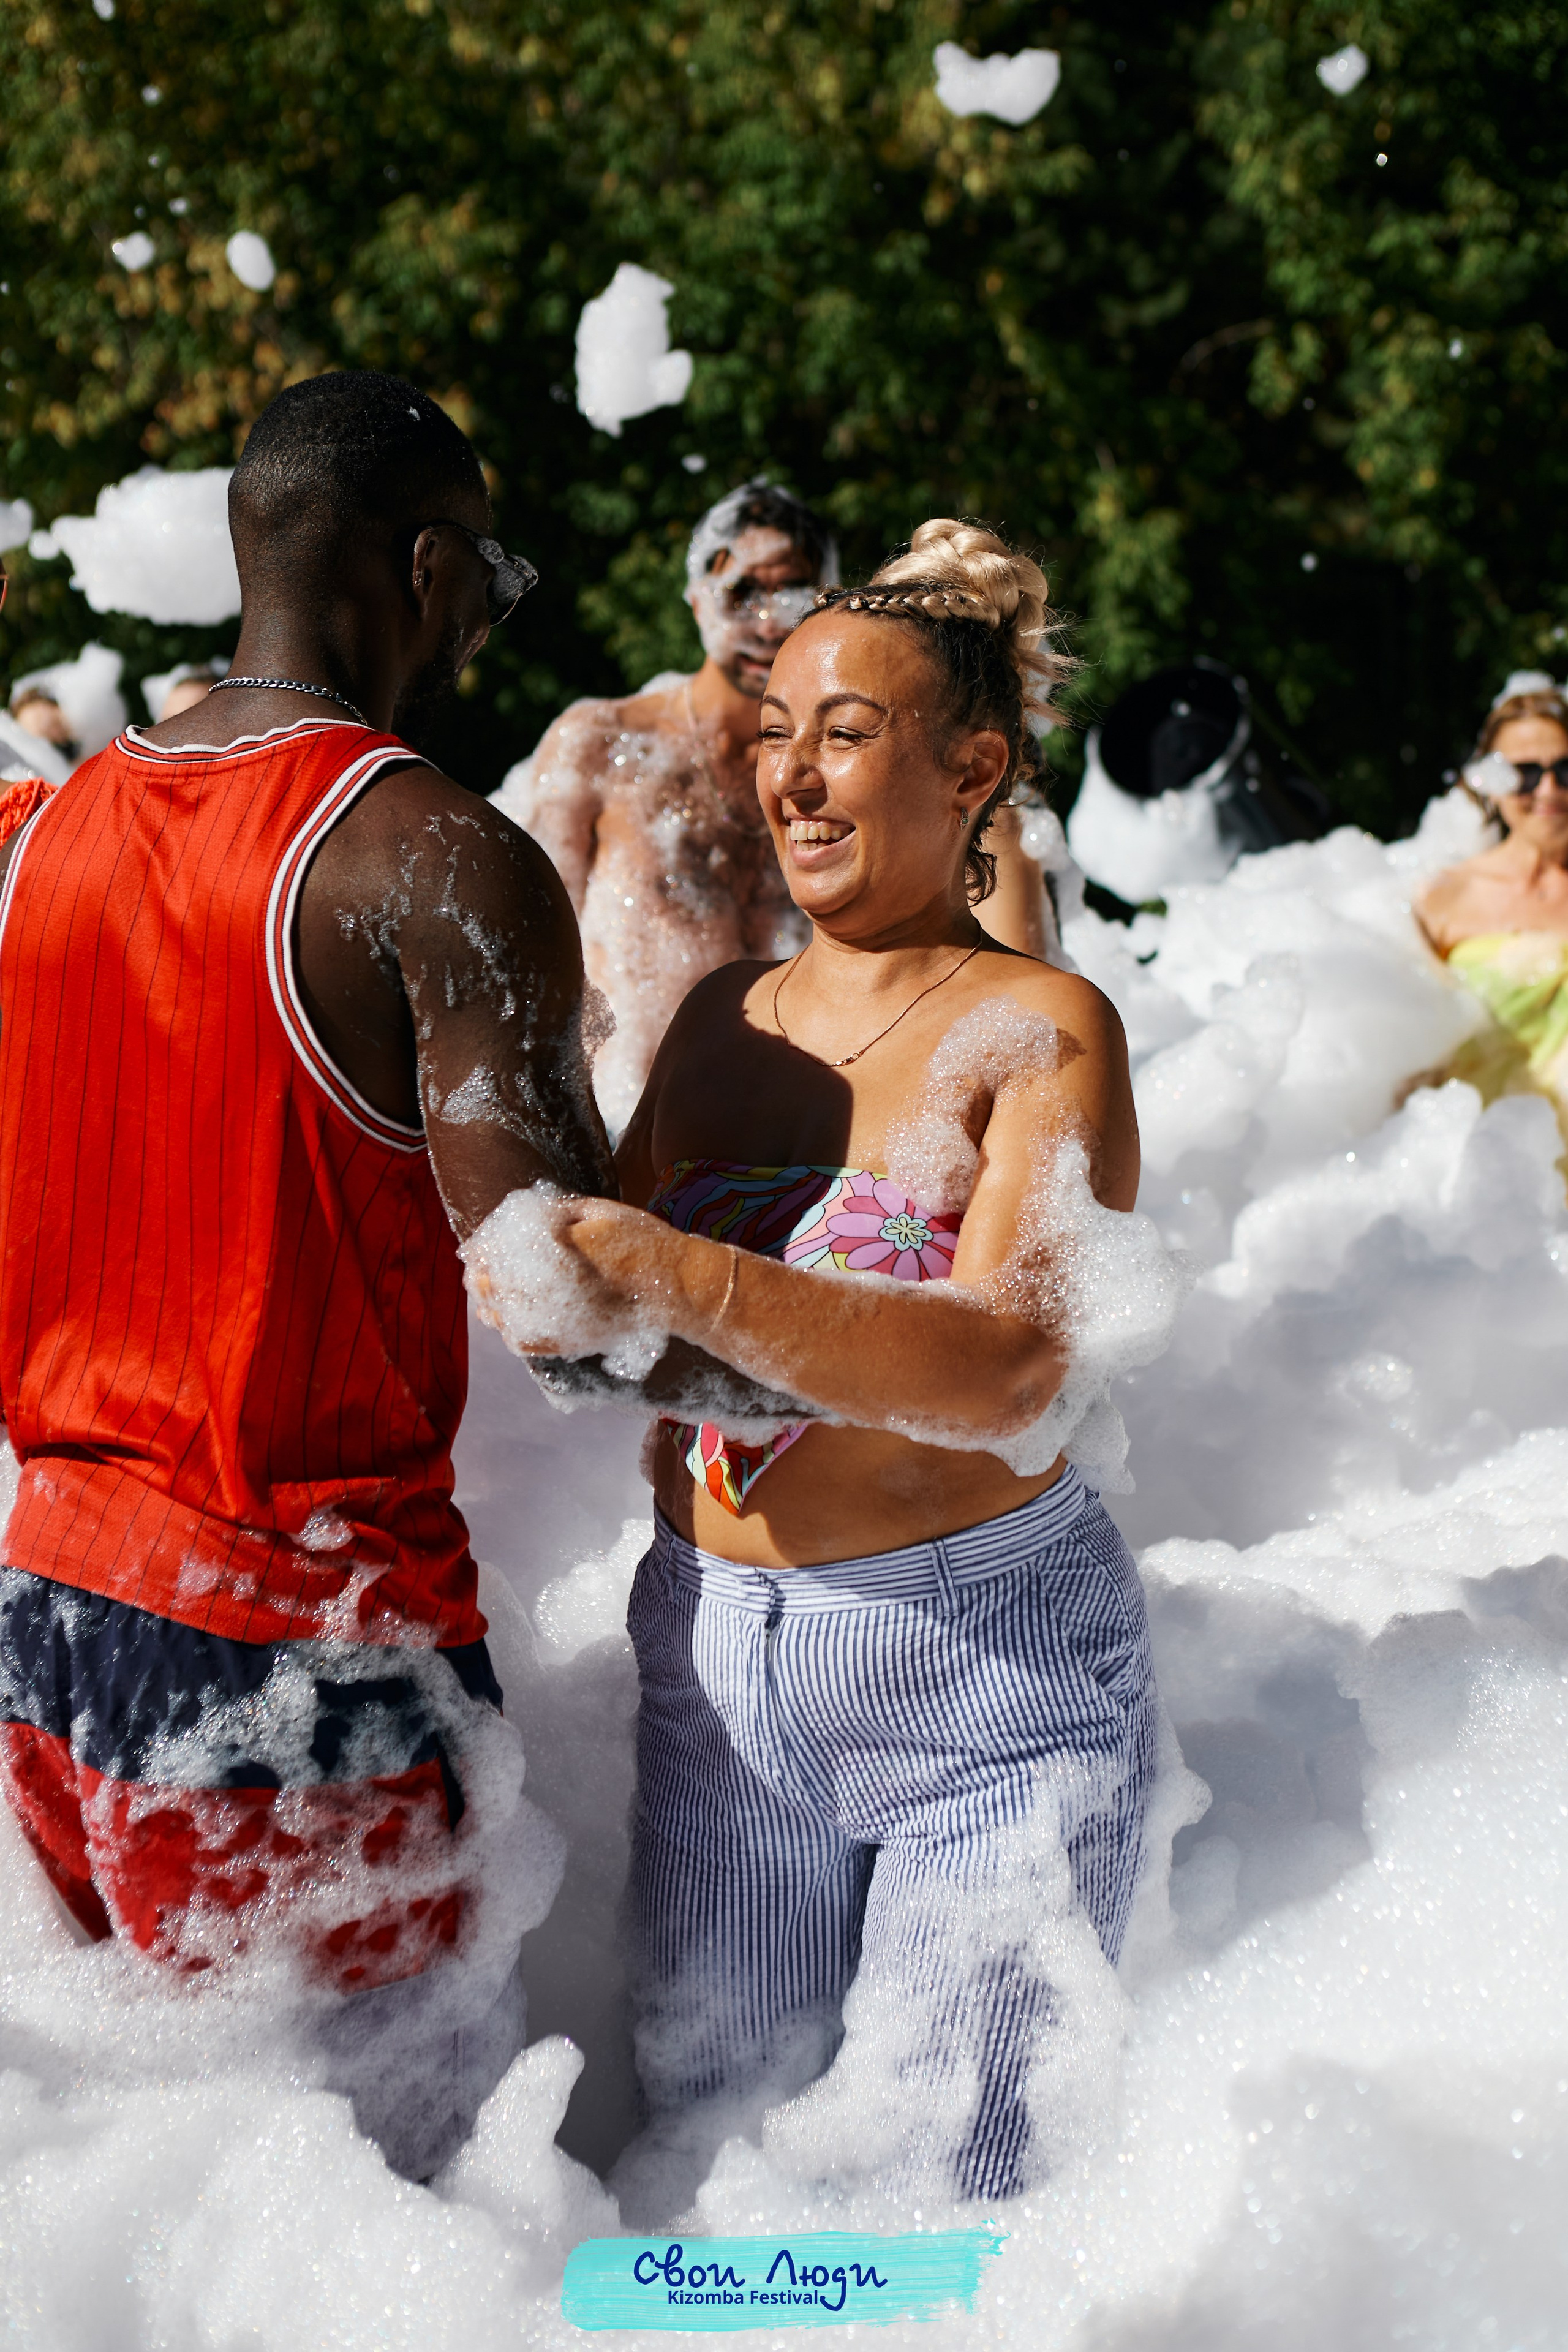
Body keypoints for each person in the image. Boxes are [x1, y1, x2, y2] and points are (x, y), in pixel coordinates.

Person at [0, 372, 655, 2173]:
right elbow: (572, 1304)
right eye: (492, 578)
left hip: (49, 1629)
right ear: (429, 562)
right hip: (298, 1662)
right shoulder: (432, 855)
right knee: (397, 2238)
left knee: (184, 2220)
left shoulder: (32, 838)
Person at [487, 519, 1156, 2204]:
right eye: (777, 732)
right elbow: (625, 1334)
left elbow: (1015, 1370)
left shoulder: (1044, 1028)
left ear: (976, 765)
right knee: (713, 2157)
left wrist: (668, 1267)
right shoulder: (719, 1022)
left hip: (979, 1670)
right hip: (718, 1662)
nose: (789, 775)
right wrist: (557, 1290)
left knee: (954, 2201)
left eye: (844, 735)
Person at [496, 480, 836, 1131]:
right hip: (625, 1130)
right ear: (695, 600)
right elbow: (521, 970)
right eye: (741, 593)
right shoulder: (600, 744)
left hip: (790, 1139)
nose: (767, 622)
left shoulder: (837, 771)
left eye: (790, 593)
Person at [1412, 685, 1568, 1144]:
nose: (1549, 789)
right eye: (1525, 773)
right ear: (1487, 781)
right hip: (1485, 1177)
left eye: (1566, 769)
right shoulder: (1444, 895)